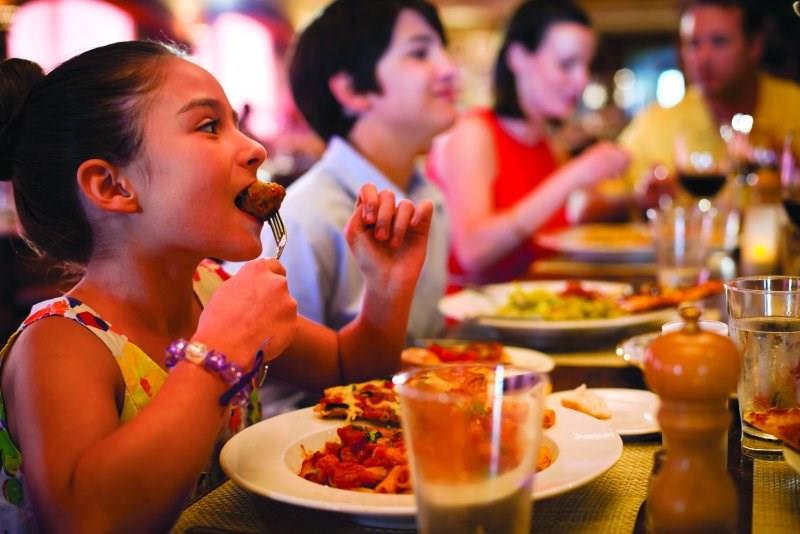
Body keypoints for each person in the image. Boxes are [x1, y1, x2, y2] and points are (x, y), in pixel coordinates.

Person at [0, 41, 433, 532]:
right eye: (209, 126)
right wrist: (218, 353)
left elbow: (348, 371)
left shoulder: (208, 289)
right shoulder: (60, 343)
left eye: (237, 123)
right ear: (113, 186)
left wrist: (387, 289)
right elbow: (86, 520)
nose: (256, 149)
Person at [227, 0, 457, 340]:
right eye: (420, 53)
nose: (450, 69)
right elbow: (266, 365)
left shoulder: (427, 196)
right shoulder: (303, 222)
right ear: (352, 90)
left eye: (443, 50)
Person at [428, 0, 630, 288]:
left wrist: (634, 199)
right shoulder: (474, 132)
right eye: (567, 64)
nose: (582, 80)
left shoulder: (544, 140)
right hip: (473, 310)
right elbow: (473, 251)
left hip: (534, 301)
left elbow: (561, 219)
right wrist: (573, 176)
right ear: (519, 58)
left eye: (586, 65)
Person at [579, 0, 800, 220]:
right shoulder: (659, 121)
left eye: (719, 41)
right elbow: (583, 206)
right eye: (693, 44)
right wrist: (637, 198)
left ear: (754, 46)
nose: (703, 57)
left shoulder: (794, 106)